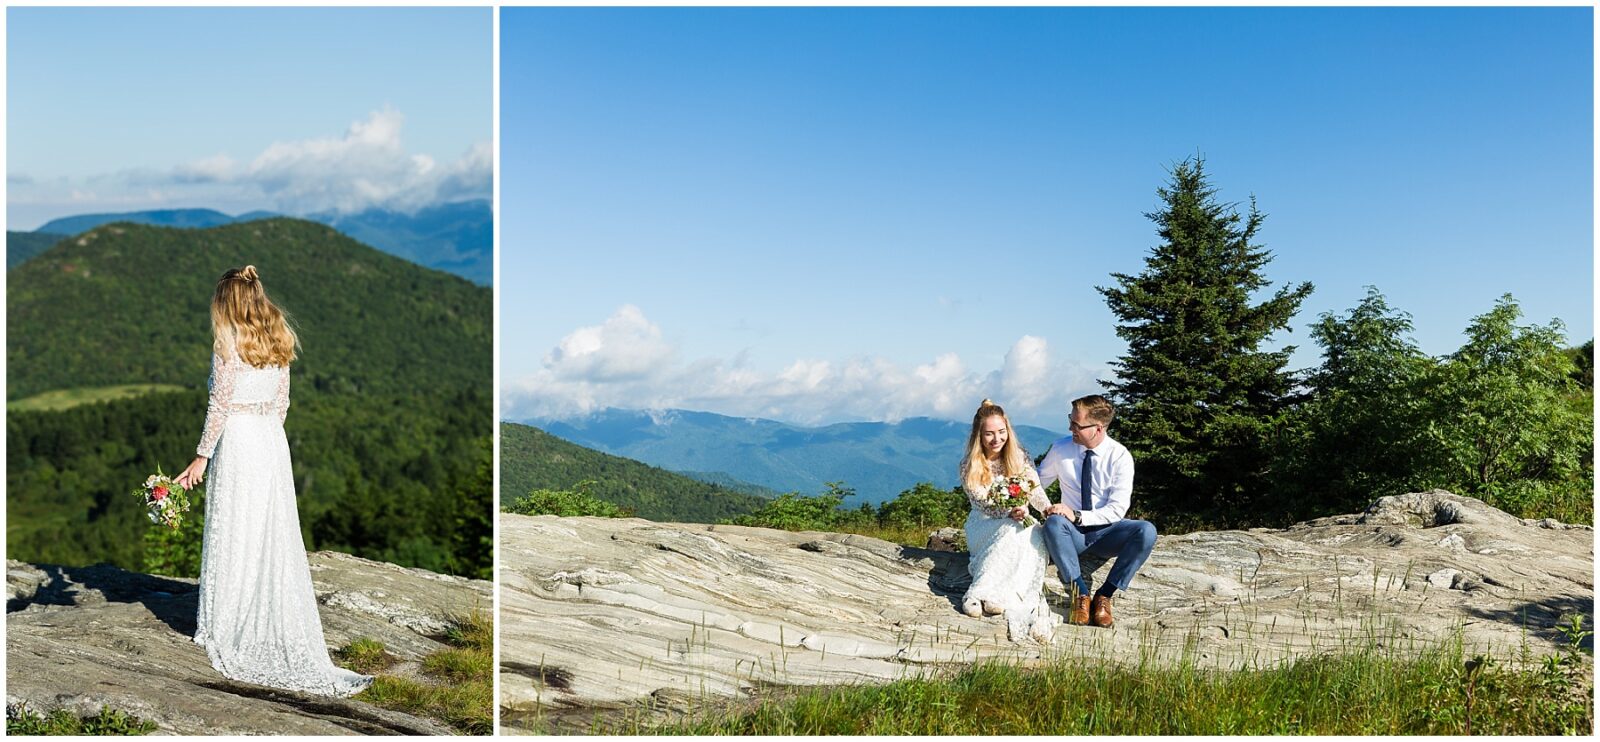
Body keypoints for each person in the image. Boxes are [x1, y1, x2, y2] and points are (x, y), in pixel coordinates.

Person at [173, 265, 371, 697]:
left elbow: (219, 404)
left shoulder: (227, 341)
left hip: (241, 440)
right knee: (269, 530)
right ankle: (263, 610)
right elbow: (283, 401)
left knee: (236, 528)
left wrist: (202, 457)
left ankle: (226, 622)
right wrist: (268, 433)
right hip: (271, 440)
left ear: (226, 301)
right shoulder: (278, 333)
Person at [1036, 394, 1157, 629]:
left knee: (1147, 530)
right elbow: (1038, 482)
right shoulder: (1061, 449)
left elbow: (1118, 508)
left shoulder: (1120, 456)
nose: (1071, 427)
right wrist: (1039, 505)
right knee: (1053, 523)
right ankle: (1080, 594)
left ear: (1098, 428)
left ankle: (1105, 595)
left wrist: (1078, 514)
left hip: (1108, 532)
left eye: (1077, 425)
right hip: (1072, 533)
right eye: (1070, 421)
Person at [957, 399, 1057, 643]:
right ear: (978, 436)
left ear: (1008, 431)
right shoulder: (969, 465)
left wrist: (1047, 510)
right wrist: (1008, 512)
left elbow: (1033, 488)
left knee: (1030, 532)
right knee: (1009, 529)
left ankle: (999, 596)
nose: (996, 439)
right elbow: (981, 503)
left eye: (1001, 432)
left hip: (1018, 516)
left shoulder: (1019, 456)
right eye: (989, 434)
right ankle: (977, 593)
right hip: (984, 521)